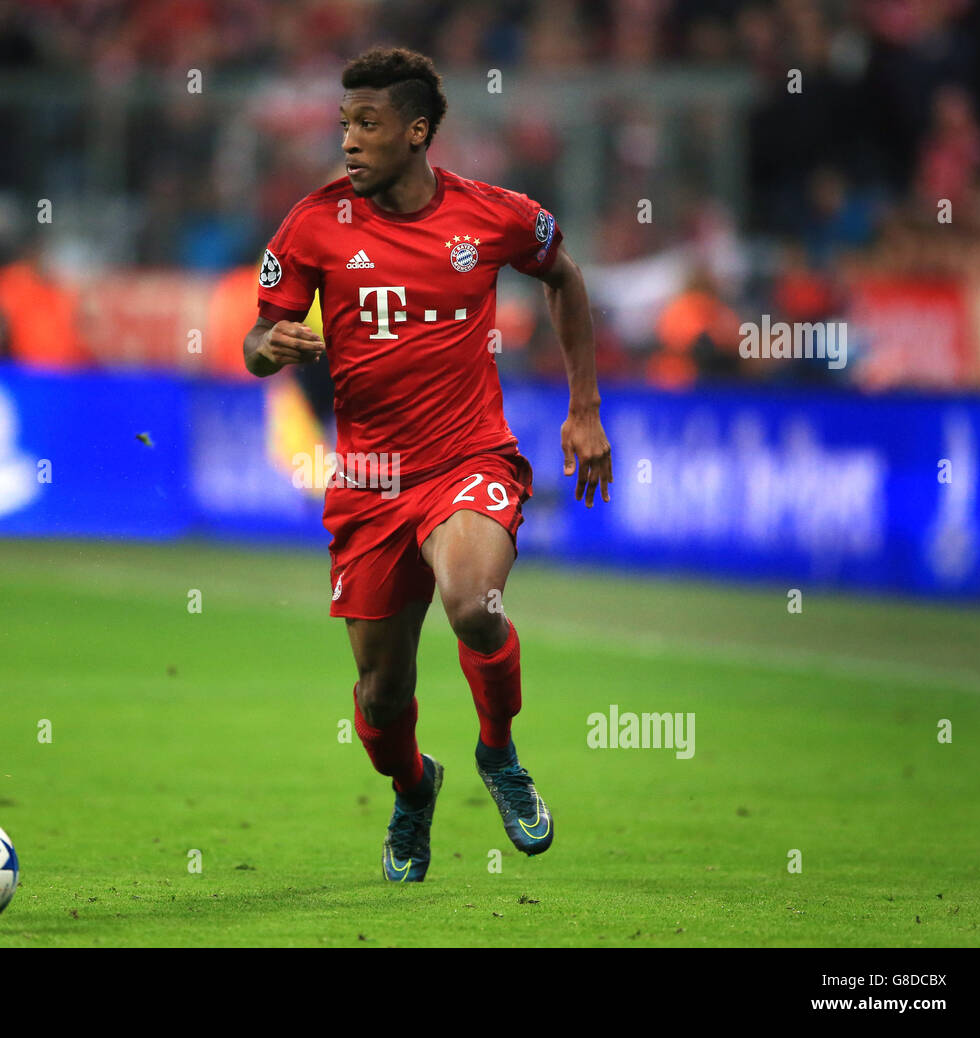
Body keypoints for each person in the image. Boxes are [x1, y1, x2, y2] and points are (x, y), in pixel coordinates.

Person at [242, 46, 612, 881]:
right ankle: (415, 788)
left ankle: (500, 753)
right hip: (369, 485)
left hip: (466, 458)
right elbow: (255, 339)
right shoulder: (312, 225)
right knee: (380, 703)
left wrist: (583, 407)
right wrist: (274, 345)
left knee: (473, 602)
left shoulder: (492, 215)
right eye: (344, 125)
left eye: (368, 125)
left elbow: (565, 275)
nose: (349, 141)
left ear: (416, 132)